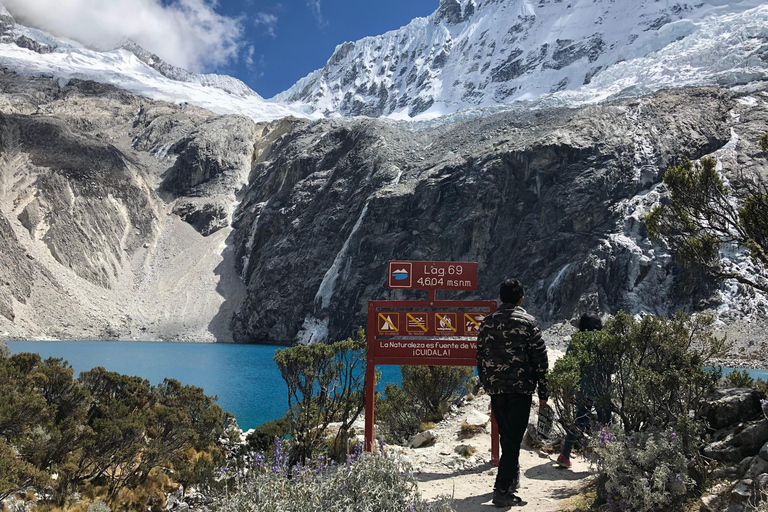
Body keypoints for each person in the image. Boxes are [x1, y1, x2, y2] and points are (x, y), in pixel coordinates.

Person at [477, 278, 548, 507]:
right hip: (520, 389)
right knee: (513, 440)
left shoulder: (487, 323)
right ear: (521, 298)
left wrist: (487, 384)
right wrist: (544, 393)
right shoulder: (529, 323)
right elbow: (540, 361)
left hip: (497, 389)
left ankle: (510, 480)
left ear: (500, 298)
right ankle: (502, 490)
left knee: (507, 437)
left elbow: (480, 358)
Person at [555, 312, 608, 468]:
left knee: (580, 420)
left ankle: (565, 454)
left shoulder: (576, 341)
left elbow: (569, 365)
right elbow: (610, 367)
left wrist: (569, 391)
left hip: (581, 388)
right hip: (601, 389)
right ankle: (608, 458)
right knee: (606, 422)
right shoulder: (603, 341)